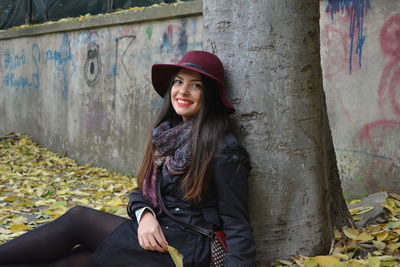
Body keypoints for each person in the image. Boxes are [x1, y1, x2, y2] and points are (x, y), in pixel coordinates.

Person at [0, 50, 256, 267]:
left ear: (209, 95)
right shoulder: (167, 137)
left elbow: (237, 224)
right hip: (159, 235)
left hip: (188, 249)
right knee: (81, 260)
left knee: (79, 220)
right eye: (178, 82)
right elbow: (142, 192)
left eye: (196, 85)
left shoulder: (223, 149)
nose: (183, 91)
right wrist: (145, 215)